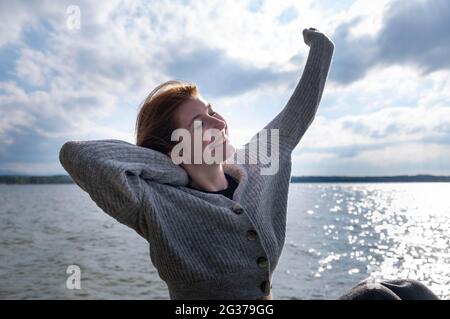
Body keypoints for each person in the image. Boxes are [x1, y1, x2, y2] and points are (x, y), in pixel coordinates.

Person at [59, 27, 335, 299]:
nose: (219, 123)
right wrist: (173, 164)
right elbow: (78, 155)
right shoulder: (152, 201)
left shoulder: (256, 164)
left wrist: (321, 48)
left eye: (212, 111)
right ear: (172, 148)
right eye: (200, 124)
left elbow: (298, 111)